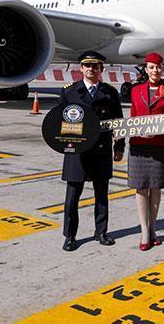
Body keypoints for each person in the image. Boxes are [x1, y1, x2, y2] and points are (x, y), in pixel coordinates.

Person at [58, 51, 125, 251]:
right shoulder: (69, 92)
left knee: (101, 196)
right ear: (81, 68)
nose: (91, 69)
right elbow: (59, 122)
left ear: (101, 69)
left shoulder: (110, 93)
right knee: (72, 198)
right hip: (76, 152)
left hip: (101, 150)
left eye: (95, 66)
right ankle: (70, 235)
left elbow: (118, 122)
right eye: (87, 65)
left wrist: (119, 147)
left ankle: (101, 232)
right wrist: (64, 144)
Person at [127, 52, 164, 251]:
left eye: (158, 67)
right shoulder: (136, 90)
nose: (155, 71)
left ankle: (153, 228)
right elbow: (133, 116)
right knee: (141, 188)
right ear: (146, 69)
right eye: (151, 67)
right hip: (139, 144)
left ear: (162, 69)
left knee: (156, 188)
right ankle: (144, 231)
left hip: (160, 144)